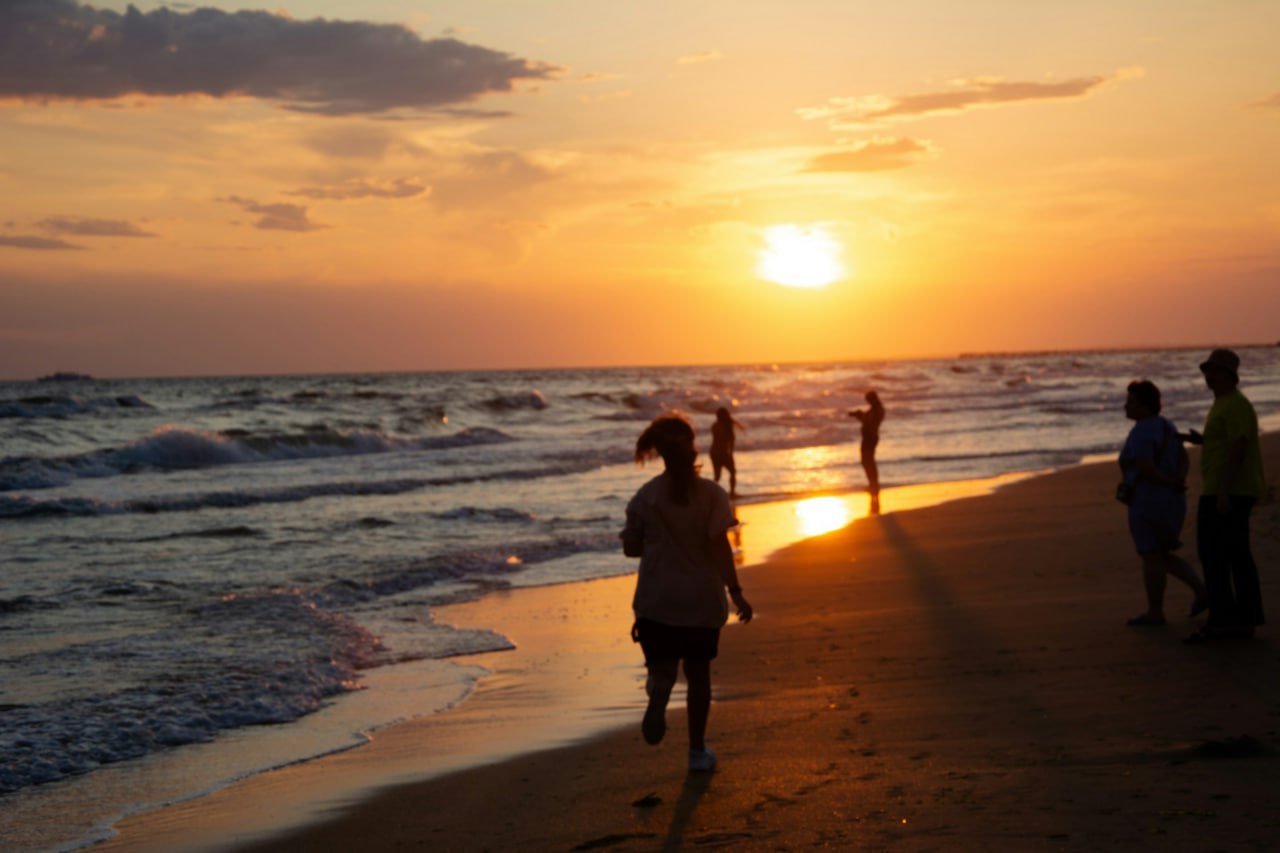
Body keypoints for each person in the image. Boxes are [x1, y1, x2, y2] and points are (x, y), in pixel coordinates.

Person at [620, 413, 753, 773]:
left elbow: (632, 548)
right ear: (694, 448)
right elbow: (719, 547)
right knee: (698, 677)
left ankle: (660, 689)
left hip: (656, 600)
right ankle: (696, 752)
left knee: (662, 669)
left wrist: (637, 537)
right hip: (699, 600)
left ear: (659, 452)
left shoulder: (646, 496)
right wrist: (736, 592)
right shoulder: (711, 495)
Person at [1183, 349, 1266, 642]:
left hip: (1228, 491)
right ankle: (1235, 619)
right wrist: (1202, 441)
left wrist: (1223, 492)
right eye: (1207, 370)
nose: (1209, 376)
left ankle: (1228, 622)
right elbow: (1227, 442)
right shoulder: (1223, 404)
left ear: (1229, 375)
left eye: (1215, 371)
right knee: (1224, 554)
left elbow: (1239, 447)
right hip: (1223, 489)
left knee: (1219, 555)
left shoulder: (1235, 404)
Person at [1117, 380, 1207, 626]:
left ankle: (1155, 612)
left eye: (1131, 402)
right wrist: (1177, 481)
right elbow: (1183, 459)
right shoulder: (1167, 426)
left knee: (1151, 556)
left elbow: (1145, 466)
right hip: (1172, 501)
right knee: (1161, 555)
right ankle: (1201, 591)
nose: (1125, 406)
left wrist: (1167, 482)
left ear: (1145, 406)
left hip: (1149, 500)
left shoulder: (1143, 431)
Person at [848, 390, 885, 512]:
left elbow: (869, 422)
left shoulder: (877, 410)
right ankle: (873, 484)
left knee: (867, 462)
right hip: (870, 437)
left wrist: (860, 415)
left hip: (870, 438)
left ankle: (873, 484)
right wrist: (860, 416)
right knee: (868, 462)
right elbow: (867, 420)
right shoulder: (876, 409)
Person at [709, 407, 744, 497]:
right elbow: (731, 440)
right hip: (723, 453)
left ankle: (711, 494)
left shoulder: (714, 425)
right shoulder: (727, 426)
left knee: (717, 476)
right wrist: (731, 453)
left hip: (713, 452)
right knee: (732, 472)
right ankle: (732, 492)